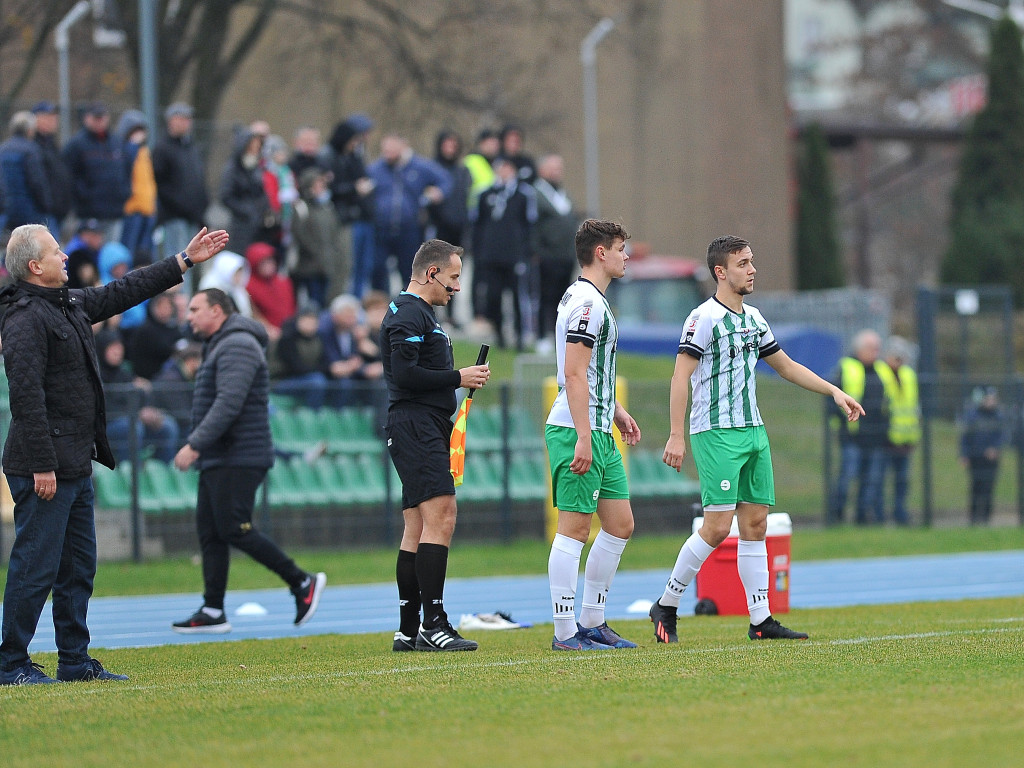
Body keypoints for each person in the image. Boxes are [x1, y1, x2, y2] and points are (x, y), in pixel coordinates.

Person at [0, 223, 229, 685]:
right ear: (34, 266)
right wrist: (43, 464)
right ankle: (10, 664)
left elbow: (124, 290)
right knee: (35, 567)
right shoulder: (25, 318)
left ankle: (75, 661)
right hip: (44, 466)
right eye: (56, 250)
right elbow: (26, 398)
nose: (66, 255)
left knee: (77, 568)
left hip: (73, 463)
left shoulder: (66, 305)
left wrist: (182, 261)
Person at [649, 235, 864, 645]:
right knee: (715, 528)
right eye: (743, 263)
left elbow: (785, 366)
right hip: (715, 434)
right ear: (720, 272)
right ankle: (667, 604)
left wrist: (833, 391)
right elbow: (680, 378)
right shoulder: (703, 319)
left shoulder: (754, 319)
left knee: (756, 524)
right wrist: (676, 435)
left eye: (751, 262)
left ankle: (761, 619)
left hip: (753, 433)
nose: (752, 270)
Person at [170, 287, 326, 634]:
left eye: (195, 309)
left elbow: (230, 402)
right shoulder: (221, 343)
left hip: (238, 454)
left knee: (232, 527)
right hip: (221, 454)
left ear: (217, 311)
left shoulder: (237, 344)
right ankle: (212, 609)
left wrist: (194, 444)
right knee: (210, 531)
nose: (189, 315)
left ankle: (301, 581)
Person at [381, 239, 490, 652]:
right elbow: (406, 375)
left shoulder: (416, 312)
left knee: (417, 526)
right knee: (442, 516)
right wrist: (456, 378)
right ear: (431, 273)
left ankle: (408, 631)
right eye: (454, 277)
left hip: (418, 425)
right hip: (415, 426)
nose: (457, 287)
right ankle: (434, 622)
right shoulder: (409, 313)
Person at [545, 219, 642, 651]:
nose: (626, 256)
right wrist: (584, 436)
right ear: (601, 252)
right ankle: (565, 632)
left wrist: (616, 411)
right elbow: (572, 373)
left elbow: (588, 372)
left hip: (599, 426)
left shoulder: (590, 299)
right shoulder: (588, 303)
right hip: (576, 429)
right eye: (622, 248)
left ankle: (592, 620)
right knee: (574, 529)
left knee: (619, 524)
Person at [368, 134, 451, 293]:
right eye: (385, 151)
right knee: (377, 269)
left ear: (403, 147)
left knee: (409, 270)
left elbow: (445, 179)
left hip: (410, 228)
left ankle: (407, 305)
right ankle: (380, 306)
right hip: (381, 228)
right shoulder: (376, 169)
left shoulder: (419, 167)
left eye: (392, 150)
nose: (388, 155)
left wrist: (438, 192)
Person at [471, 156, 537, 349]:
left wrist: (526, 252)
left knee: (517, 296)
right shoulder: (485, 194)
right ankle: (498, 334)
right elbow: (478, 225)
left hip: (514, 256)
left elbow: (529, 226)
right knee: (493, 296)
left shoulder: (523, 195)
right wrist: (478, 252)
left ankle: (519, 336)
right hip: (490, 256)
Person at [828, 329, 890, 525]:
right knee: (847, 477)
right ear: (860, 349)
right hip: (852, 437)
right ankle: (836, 517)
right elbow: (832, 401)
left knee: (871, 481)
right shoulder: (846, 367)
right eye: (872, 348)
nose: (876, 353)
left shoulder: (882, 370)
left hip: (876, 437)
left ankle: (863, 518)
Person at [151, 102, 208, 271]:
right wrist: (181, 206)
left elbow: (198, 180)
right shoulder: (162, 148)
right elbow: (160, 185)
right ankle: (175, 297)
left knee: (192, 264)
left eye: (188, 119)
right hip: (174, 217)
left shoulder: (191, 148)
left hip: (193, 216)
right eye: (182, 118)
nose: (186, 123)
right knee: (177, 263)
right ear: (171, 121)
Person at [61, 102, 130, 242]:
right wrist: (83, 196)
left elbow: (126, 171)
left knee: (111, 254)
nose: (100, 121)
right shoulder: (77, 145)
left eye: (102, 117)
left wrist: (124, 193)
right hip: (88, 213)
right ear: (87, 118)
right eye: (96, 117)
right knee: (89, 254)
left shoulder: (117, 142)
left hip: (114, 210)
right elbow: (68, 176)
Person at [531, 154, 581, 346]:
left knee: (564, 298)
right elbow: (533, 226)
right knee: (546, 296)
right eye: (552, 168)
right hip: (547, 256)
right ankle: (542, 335)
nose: (557, 172)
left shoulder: (564, 194)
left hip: (565, 255)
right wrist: (537, 251)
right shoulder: (537, 193)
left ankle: (559, 335)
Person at [324, 113, 375, 299]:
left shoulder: (353, 155)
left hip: (354, 216)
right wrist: (355, 189)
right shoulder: (330, 156)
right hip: (340, 217)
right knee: (342, 265)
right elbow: (334, 188)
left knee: (357, 265)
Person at [877, 336, 920, 526]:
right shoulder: (880, 373)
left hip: (906, 438)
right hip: (886, 438)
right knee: (879, 480)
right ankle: (878, 515)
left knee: (902, 482)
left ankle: (900, 514)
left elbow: (913, 406)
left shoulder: (909, 375)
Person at [291, 167, 341, 310]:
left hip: (326, 266)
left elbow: (333, 234)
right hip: (308, 267)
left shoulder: (327, 207)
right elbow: (300, 235)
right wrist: (316, 252)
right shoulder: (301, 207)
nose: (320, 189)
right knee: (310, 304)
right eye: (317, 185)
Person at [115, 110, 158, 264]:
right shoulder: (124, 150)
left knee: (146, 254)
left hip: (147, 209)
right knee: (129, 252)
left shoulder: (144, 152)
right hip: (132, 209)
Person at [960, 386, 1004, 525]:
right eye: (988, 399)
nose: (991, 402)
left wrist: (995, 449)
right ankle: (973, 518)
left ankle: (986, 518)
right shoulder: (972, 415)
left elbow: (1002, 436)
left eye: (993, 399)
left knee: (988, 488)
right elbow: (965, 437)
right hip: (976, 458)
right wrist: (964, 454)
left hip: (991, 460)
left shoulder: (998, 416)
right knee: (975, 487)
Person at [0, 111, 51, 230]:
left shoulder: (3, 149)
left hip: (6, 208)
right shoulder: (31, 150)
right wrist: (46, 205)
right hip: (29, 209)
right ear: (30, 130)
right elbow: (37, 182)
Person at [30, 101, 73, 235]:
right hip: (43, 212)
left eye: (54, 117)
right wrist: (47, 204)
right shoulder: (33, 146)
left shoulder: (51, 144)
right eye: (47, 117)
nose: (53, 121)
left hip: (57, 210)